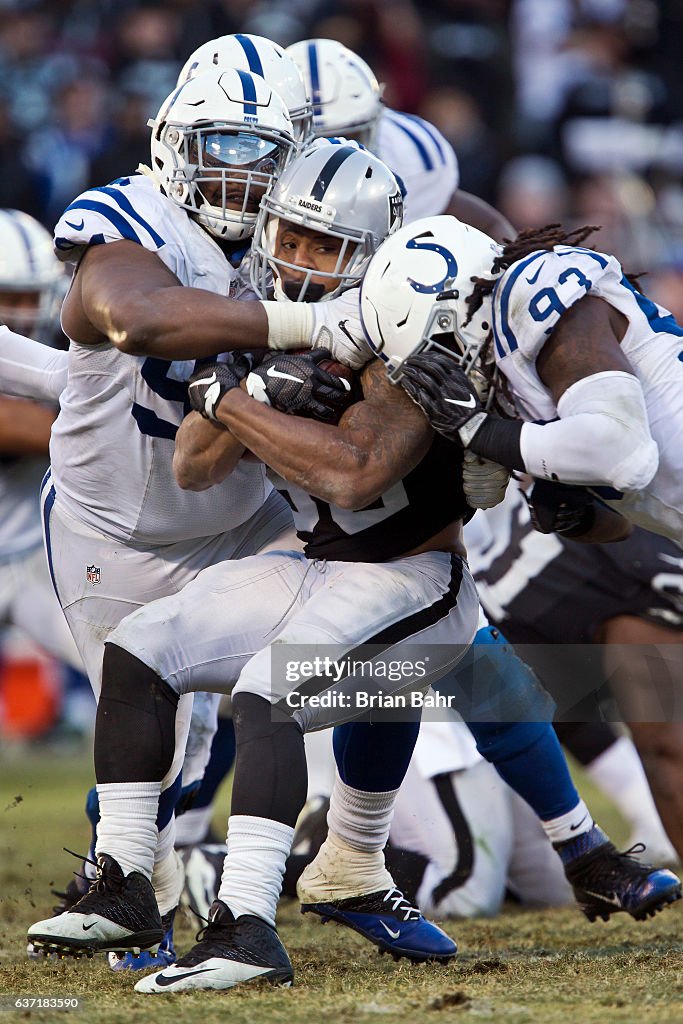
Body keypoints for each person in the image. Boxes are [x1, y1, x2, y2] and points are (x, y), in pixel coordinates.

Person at [28, 146, 681, 994]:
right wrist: (247, 386)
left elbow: (354, 473)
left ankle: (248, 926)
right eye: (292, 238)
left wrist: (233, 399)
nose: (303, 262)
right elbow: (193, 466)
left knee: (287, 685)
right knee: (143, 646)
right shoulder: (261, 318)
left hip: (413, 578)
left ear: (370, 253)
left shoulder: (410, 321)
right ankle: (123, 879)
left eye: (328, 247)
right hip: (319, 563)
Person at [358, 215, 683, 546]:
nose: (445, 370)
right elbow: (630, 520)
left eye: (440, 351)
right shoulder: (513, 370)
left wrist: (478, 430)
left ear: (458, 308)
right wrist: (580, 515)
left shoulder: (537, 300)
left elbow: (624, 454)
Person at [287, 37, 512, 239]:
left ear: (377, 120)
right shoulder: (260, 164)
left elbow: (489, 225)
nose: (333, 151)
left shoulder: (410, 157)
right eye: (313, 141)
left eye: (347, 136)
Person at [0, 210, 85, 717]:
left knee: (144, 669)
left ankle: (188, 800)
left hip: (37, 560)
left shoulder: (63, 343)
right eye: (6, 296)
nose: (18, 313)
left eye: (28, 295)